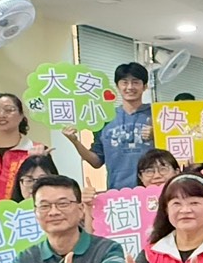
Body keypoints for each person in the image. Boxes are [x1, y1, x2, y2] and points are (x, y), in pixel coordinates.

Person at [63, 62, 153, 190]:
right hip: (117, 191)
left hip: (154, 190)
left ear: (145, 86)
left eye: (135, 82)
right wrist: (75, 142)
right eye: (124, 82)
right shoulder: (104, 118)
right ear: (117, 86)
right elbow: (96, 162)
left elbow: (174, 154)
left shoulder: (158, 115)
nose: (130, 87)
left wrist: (157, 135)